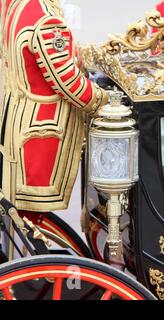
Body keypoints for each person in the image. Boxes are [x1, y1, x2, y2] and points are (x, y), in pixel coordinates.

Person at [0, 0, 108, 213]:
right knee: (32, 223)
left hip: (19, 122)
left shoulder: (19, 6)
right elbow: (68, 83)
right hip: (42, 130)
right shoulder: (46, 19)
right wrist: (105, 101)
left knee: (21, 221)